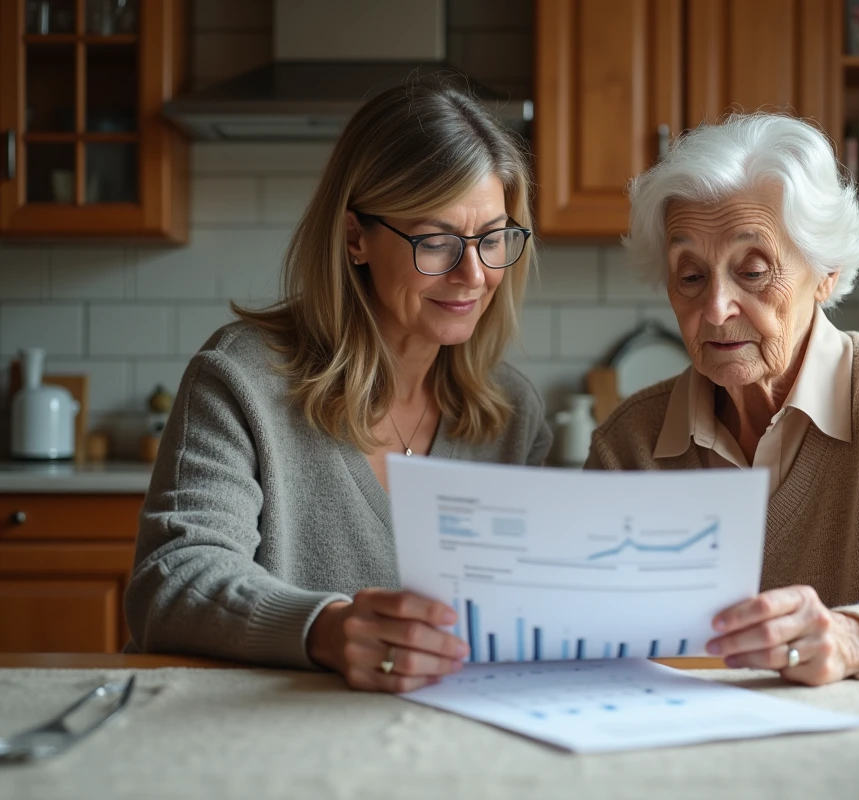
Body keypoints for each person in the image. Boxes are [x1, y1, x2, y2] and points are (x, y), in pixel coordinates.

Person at [126, 78, 551, 693]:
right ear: (356, 238)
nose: (474, 274)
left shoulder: (512, 414)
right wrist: (325, 628)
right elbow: (169, 582)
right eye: (436, 241)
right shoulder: (241, 378)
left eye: (492, 238)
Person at [586, 113, 859, 684]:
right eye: (691, 276)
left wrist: (856, 637)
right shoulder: (630, 440)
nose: (716, 308)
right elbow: (580, 622)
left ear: (827, 273)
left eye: (753, 270)